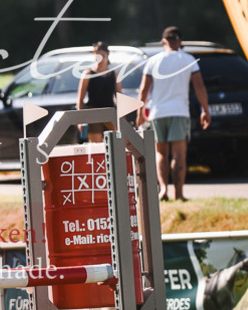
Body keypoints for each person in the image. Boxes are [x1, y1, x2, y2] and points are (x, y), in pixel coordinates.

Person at [136, 26, 211, 202]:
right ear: (180, 42)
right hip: (179, 111)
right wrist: (205, 110)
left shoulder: (153, 61)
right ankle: (179, 193)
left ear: (164, 42)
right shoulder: (188, 59)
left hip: (157, 112)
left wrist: (140, 112)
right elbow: (199, 87)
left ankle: (163, 190)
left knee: (161, 153)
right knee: (179, 154)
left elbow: (143, 90)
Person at [75, 41, 122, 143]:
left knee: (113, 145)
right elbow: (80, 99)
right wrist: (80, 120)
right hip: (93, 115)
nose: (100, 59)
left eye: (103, 56)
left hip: (110, 113)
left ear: (107, 56)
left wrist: (122, 118)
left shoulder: (114, 75)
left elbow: (119, 98)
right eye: (98, 55)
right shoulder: (88, 74)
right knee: (96, 147)